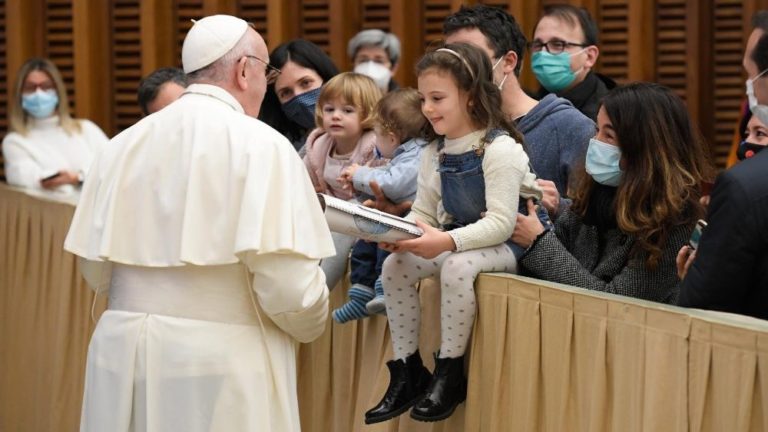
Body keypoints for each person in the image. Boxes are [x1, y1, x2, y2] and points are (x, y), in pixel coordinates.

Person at [64, 15, 335, 431]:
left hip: (121, 353)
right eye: (267, 73)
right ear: (245, 71)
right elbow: (289, 288)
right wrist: (312, 320)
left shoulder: (119, 146)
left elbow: (95, 269)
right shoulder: (263, 145)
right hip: (221, 361)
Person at [365, 43, 546, 424]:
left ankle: (450, 371)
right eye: (423, 98)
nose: (427, 109)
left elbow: (501, 223)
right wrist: (399, 233)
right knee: (396, 265)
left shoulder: (500, 149)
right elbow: (424, 211)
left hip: (511, 245)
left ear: (470, 95)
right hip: (462, 237)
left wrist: (444, 241)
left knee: (457, 267)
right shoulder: (435, 152)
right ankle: (408, 368)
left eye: (437, 98)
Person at [512, 82, 710, 303]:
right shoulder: (597, 194)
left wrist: (538, 242)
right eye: (597, 130)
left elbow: (617, 303)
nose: (595, 143)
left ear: (644, 148)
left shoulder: (676, 221)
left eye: (609, 136)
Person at [443, 4, 595, 219]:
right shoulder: (452, 127)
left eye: (469, 56)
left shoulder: (570, 127)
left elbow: (598, 225)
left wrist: (557, 207)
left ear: (508, 61)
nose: (456, 69)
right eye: (449, 58)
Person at [676, 11, 768, 320]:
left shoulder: (743, 186)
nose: (748, 89)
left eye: (750, 74)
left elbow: (703, 307)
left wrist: (695, 273)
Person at [332, 88, 427, 322]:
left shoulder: (418, 154)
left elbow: (393, 184)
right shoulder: (405, 154)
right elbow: (387, 173)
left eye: (376, 134)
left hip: (412, 219)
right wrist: (360, 181)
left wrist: (360, 173)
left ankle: (386, 290)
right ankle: (362, 293)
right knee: (366, 240)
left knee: (387, 242)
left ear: (392, 137)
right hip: (395, 213)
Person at [304, 72, 380, 292]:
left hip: (364, 218)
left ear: (367, 113)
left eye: (347, 110)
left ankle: (320, 291)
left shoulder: (375, 145)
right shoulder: (319, 145)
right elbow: (298, 183)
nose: (336, 116)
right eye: (329, 109)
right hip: (329, 215)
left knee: (345, 221)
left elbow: (383, 188)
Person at [3, 58, 109, 193]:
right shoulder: (15, 142)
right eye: (30, 88)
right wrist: (84, 177)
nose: (38, 93)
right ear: (20, 95)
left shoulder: (86, 129)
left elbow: (114, 168)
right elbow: (33, 180)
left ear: (58, 91)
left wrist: (77, 177)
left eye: (46, 86)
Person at [530, 4, 616, 121]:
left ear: (589, 56)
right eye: (538, 45)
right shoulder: (528, 108)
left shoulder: (614, 113)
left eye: (557, 44)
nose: (543, 53)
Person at [259, 39, 339, 152]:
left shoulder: (365, 133)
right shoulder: (279, 150)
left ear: (326, 79)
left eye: (305, 83)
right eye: (286, 92)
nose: (299, 96)